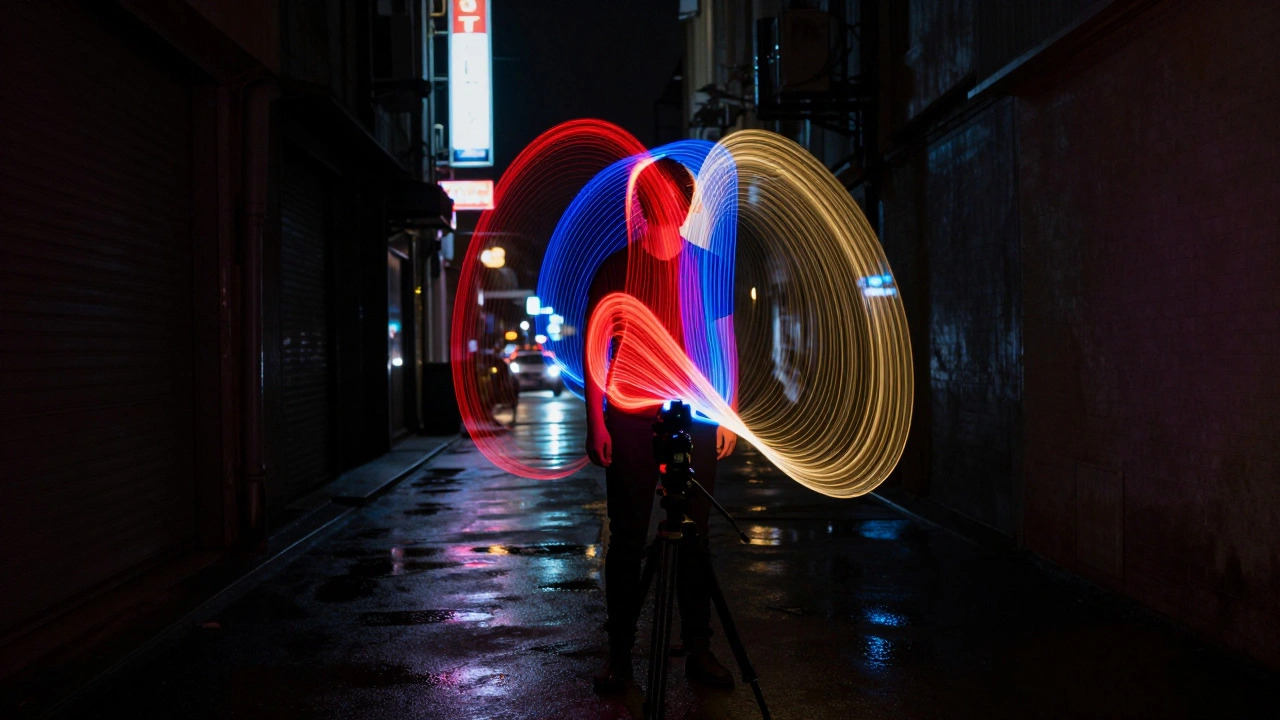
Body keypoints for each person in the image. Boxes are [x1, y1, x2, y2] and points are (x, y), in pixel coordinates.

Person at [585, 157, 737, 694]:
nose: (667, 209)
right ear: (645, 206)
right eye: (657, 199)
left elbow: (725, 342)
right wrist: (595, 420)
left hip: (693, 416)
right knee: (628, 538)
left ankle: (698, 649)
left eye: (675, 199)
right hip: (628, 418)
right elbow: (596, 350)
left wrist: (728, 409)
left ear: (686, 204)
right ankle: (620, 655)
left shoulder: (705, 266)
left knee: (695, 536)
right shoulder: (615, 269)